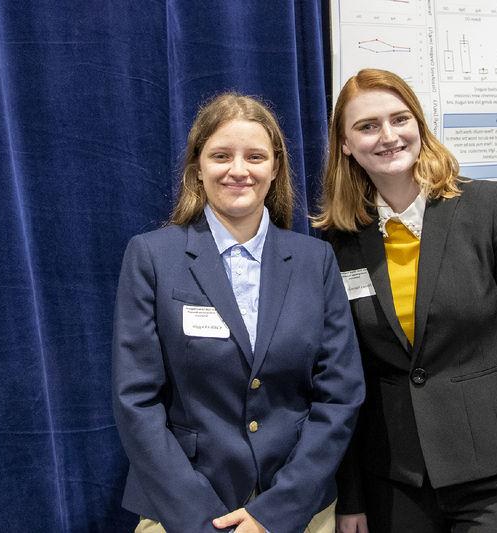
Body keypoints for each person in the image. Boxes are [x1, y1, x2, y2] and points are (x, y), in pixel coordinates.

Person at [314, 69, 497, 533]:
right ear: (344, 144)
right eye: (368, 126)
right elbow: (344, 378)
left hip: (495, 480)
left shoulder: (492, 208)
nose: (388, 136)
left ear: (420, 124)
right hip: (395, 484)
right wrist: (351, 497)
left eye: (400, 119)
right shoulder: (339, 242)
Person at [112, 93, 365, 533]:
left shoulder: (314, 261)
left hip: (297, 511)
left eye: (255, 156)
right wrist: (202, 520)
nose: (238, 170)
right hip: (181, 514)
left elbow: (339, 396)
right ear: (198, 167)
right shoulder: (152, 257)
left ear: (275, 168)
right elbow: (135, 401)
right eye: (221, 156)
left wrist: (276, 512)